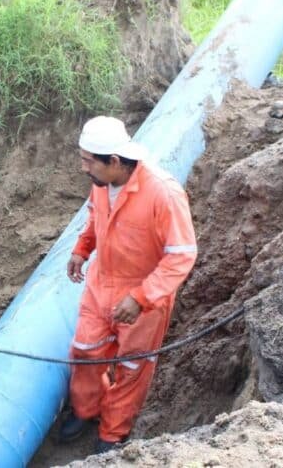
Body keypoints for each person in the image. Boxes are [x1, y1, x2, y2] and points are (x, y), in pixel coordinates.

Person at [60, 116, 197, 453]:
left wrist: (141, 297)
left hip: (143, 298)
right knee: (85, 351)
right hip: (101, 282)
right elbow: (95, 218)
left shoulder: (163, 194)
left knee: (132, 366)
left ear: (116, 162)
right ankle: (86, 411)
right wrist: (82, 248)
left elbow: (181, 255)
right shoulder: (101, 182)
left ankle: (112, 433)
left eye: (88, 161)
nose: (83, 168)